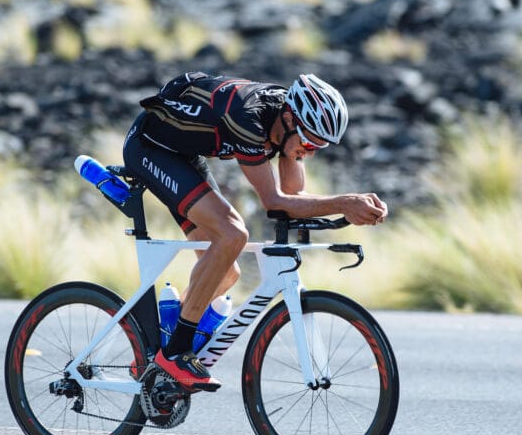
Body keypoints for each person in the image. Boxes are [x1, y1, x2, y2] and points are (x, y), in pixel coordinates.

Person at [122, 72, 388, 392]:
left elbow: (294, 196)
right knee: (233, 234)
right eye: (309, 141)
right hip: (150, 148)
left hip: (184, 156)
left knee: (226, 274)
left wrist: (349, 208)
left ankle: (163, 339)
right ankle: (175, 353)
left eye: (320, 145)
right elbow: (274, 202)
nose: (310, 151)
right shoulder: (248, 118)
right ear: (290, 118)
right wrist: (344, 202)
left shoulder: (287, 128)